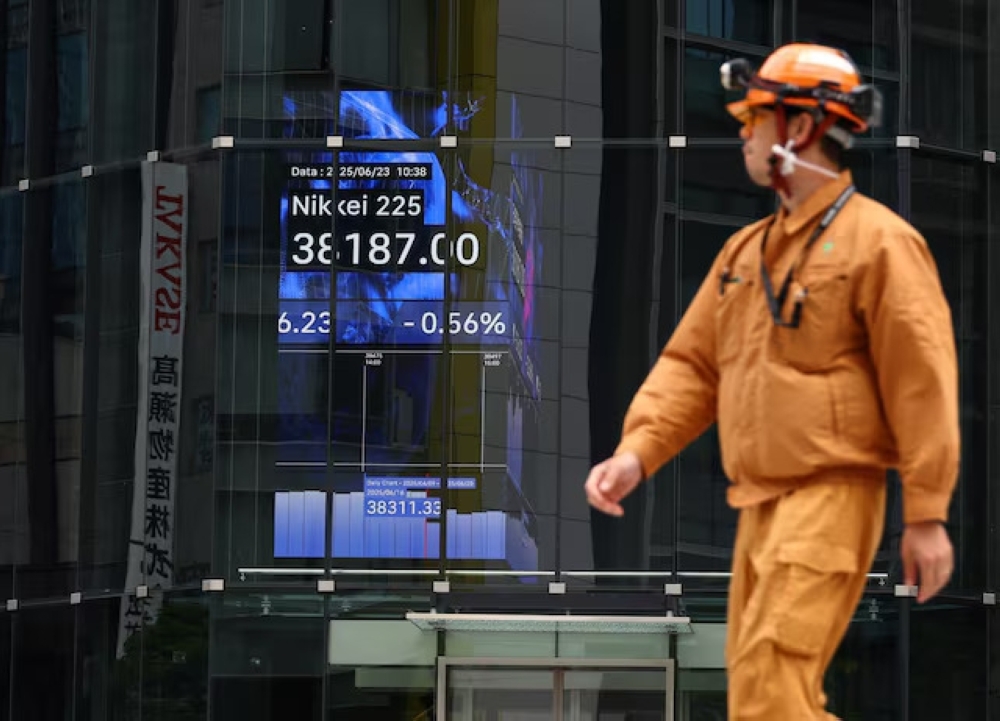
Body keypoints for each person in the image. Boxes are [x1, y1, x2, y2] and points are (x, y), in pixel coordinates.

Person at [584, 43, 959, 719]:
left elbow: (922, 381)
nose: (743, 132)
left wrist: (927, 514)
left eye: (755, 116)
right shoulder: (745, 252)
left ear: (803, 128)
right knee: (764, 692)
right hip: (759, 504)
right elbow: (691, 367)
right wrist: (635, 453)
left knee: (771, 684)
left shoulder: (882, 244)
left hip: (833, 495)